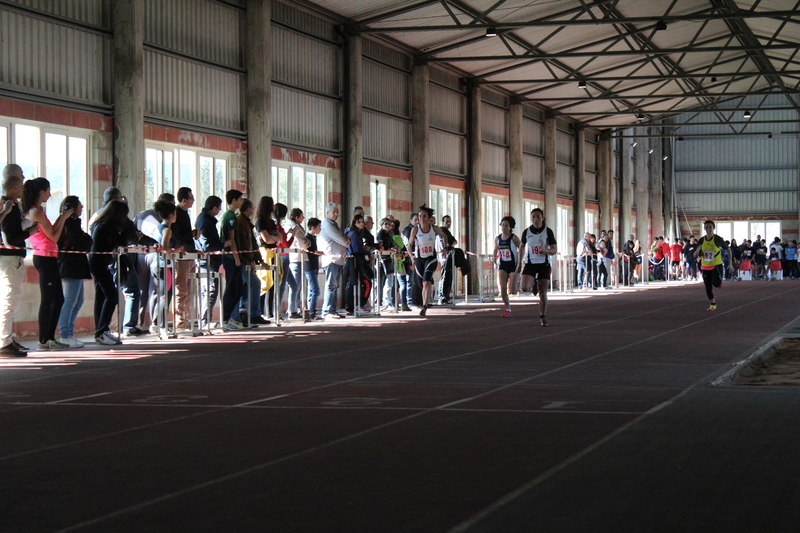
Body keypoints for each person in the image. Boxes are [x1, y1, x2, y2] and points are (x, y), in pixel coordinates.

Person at [23, 178, 72, 350]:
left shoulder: (39, 211)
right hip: (44, 257)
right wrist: (64, 218)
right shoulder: (35, 212)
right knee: (48, 300)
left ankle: (50, 337)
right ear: (40, 192)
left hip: (50, 256)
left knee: (58, 299)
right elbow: (54, 237)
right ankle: (44, 339)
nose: (50, 194)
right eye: (47, 191)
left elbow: (51, 232)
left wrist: (61, 217)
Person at [1, 166, 38, 357]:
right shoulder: (7, 207)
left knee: (10, 300)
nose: (24, 185)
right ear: (14, 185)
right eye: (21, 181)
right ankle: (4, 341)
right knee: (9, 300)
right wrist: (28, 232)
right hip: (9, 259)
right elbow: (10, 238)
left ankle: (6, 338)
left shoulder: (11, 207)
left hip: (10, 259)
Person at [90, 200, 128, 345]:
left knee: (101, 296)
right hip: (99, 263)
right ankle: (101, 330)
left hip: (99, 263)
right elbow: (117, 243)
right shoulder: (107, 227)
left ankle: (101, 330)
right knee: (111, 296)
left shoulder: (101, 224)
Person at [57, 196, 92, 348]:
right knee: (70, 301)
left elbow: (85, 240)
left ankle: (69, 332)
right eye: (79, 205)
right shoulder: (69, 224)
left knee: (78, 301)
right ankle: (65, 334)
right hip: (71, 265)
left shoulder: (74, 223)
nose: (82, 207)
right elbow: (81, 242)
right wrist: (86, 240)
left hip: (76, 265)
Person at [406, 205, 451, 317]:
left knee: (426, 282)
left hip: (431, 258)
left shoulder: (434, 228)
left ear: (428, 217)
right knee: (422, 284)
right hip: (419, 259)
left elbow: (444, 236)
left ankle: (424, 306)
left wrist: (445, 248)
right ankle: (424, 302)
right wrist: (412, 257)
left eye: (424, 216)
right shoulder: (415, 229)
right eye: (420, 216)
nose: (421, 218)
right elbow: (409, 245)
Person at [516, 208, 557, 326]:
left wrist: (545, 250)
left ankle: (542, 316)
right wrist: (519, 263)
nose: (536, 219)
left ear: (543, 218)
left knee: (543, 293)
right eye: (533, 217)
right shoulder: (527, 232)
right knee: (523, 288)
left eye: (538, 217)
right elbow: (522, 246)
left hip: (544, 264)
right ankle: (533, 282)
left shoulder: (548, 232)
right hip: (530, 264)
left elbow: (554, 250)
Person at [150, 200, 183, 331]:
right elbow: (164, 248)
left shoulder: (158, 228)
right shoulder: (167, 230)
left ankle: (157, 323)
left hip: (157, 264)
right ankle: (159, 323)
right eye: (175, 213)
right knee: (165, 295)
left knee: (162, 294)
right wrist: (176, 250)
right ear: (171, 214)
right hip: (164, 265)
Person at [195, 195, 224, 327]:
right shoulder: (206, 222)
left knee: (207, 290)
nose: (219, 211)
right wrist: (223, 245)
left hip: (207, 260)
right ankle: (205, 320)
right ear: (214, 208)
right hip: (208, 261)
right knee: (210, 290)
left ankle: (205, 319)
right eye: (219, 208)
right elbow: (207, 245)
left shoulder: (205, 220)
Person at [318, 202, 350, 319]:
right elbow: (343, 240)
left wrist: (345, 240)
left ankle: (332, 310)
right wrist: (346, 241)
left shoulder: (334, 224)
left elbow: (344, 239)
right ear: (327, 213)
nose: (336, 214)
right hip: (331, 259)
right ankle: (327, 311)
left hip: (337, 259)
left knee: (335, 286)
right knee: (331, 286)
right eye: (333, 212)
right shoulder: (328, 225)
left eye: (337, 212)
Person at [236, 198, 265, 326]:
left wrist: (258, 260)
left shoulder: (246, 222)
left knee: (246, 286)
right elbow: (244, 243)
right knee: (254, 283)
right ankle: (253, 314)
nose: (253, 210)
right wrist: (249, 260)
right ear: (248, 209)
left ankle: (246, 312)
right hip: (243, 260)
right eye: (252, 208)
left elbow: (252, 244)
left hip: (246, 259)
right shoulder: (241, 222)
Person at [220, 190, 245, 331]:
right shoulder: (230, 216)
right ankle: (226, 318)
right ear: (234, 200)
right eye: (240, 199)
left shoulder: (231, 216)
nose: (241, 202)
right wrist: (236, 257)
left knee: (238, 289)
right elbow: (232, 239)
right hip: (230, 257)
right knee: (232, 289)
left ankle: (229, 318)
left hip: (232, 256)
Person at [173, 187, 197, 330]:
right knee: (182, 288)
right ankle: (180, 319)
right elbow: (178, 234)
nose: (193, 200)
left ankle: (186, 318)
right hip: (183, 255)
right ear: (184, 200)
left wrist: (191, 235)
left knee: (188, 288)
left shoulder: (184, 214)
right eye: (191, 198)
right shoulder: (178, 214)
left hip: (189, 252)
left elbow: (184, 233)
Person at [694, 220, 731, 312]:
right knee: (707, 286)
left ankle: (719, 283)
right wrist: (697, 251)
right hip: (705, 266)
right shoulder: (701, 240)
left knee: (716, 283)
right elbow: (695, 255)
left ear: (713, 228)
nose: (708, 229)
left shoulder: (718, 239)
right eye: (706, 227)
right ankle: (712, 304)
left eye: (710, 227)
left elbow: (728, 250)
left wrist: (730, 264)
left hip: (716, 265)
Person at [343, 214, 371, 315]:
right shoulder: (354, 234)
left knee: (354, 283)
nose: (362, 224)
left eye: (362, 221)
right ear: (355, 223)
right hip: (355, 261)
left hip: (354, 260)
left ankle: (353, 306)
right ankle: (354, 306)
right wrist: (368, 252)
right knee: (356, 283)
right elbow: (356, 250)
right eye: (359, 222)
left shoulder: (356, 233)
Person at [494, 216, 520, 317]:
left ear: (510, 227)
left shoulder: (514, 238)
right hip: (503, 264)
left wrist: (520, 261)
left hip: (513, 264)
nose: (504, 227)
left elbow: (521, 247)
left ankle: (519, 279)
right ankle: (508, 308)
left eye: (506, 225)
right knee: (503, 288)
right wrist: (494, 259)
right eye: (502, 225)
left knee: (512, 290)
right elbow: (495, 249)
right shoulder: (497, 238)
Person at [287, 208, 309, 320]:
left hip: (300, 258)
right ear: (296, 217)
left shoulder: (299, 228)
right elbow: (302, 243)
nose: (303, 218)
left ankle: (296, 307)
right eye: (302, 216)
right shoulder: (294, 228)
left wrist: (306, 241)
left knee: (299, 286)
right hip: (296, 259)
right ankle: (292, 309)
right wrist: (308, 242)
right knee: (295, 286)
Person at [303, 217, 323, 321]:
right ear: (313, 227)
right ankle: (312, 311)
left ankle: (311, 311)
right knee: (315, 290)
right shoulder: (307, 238)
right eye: (319, 227)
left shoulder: (314, 238)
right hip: (309, 266)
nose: (320, 229)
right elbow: (309, 252)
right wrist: (316, 253)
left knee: (312, 290)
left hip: (314, 266)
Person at [437, 215, 457, 304]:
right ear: (442, 222)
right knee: (444, 276)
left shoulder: (448, 232)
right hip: (444, 257)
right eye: (447, 221)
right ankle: (442, 296)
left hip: (449, 256)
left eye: (450, 221)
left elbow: (454, 242)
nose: (449, 223)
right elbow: (450, 243)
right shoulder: (441, 231)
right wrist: (449, 245)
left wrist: (451, 244)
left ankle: (446, 296)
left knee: (449, 276)